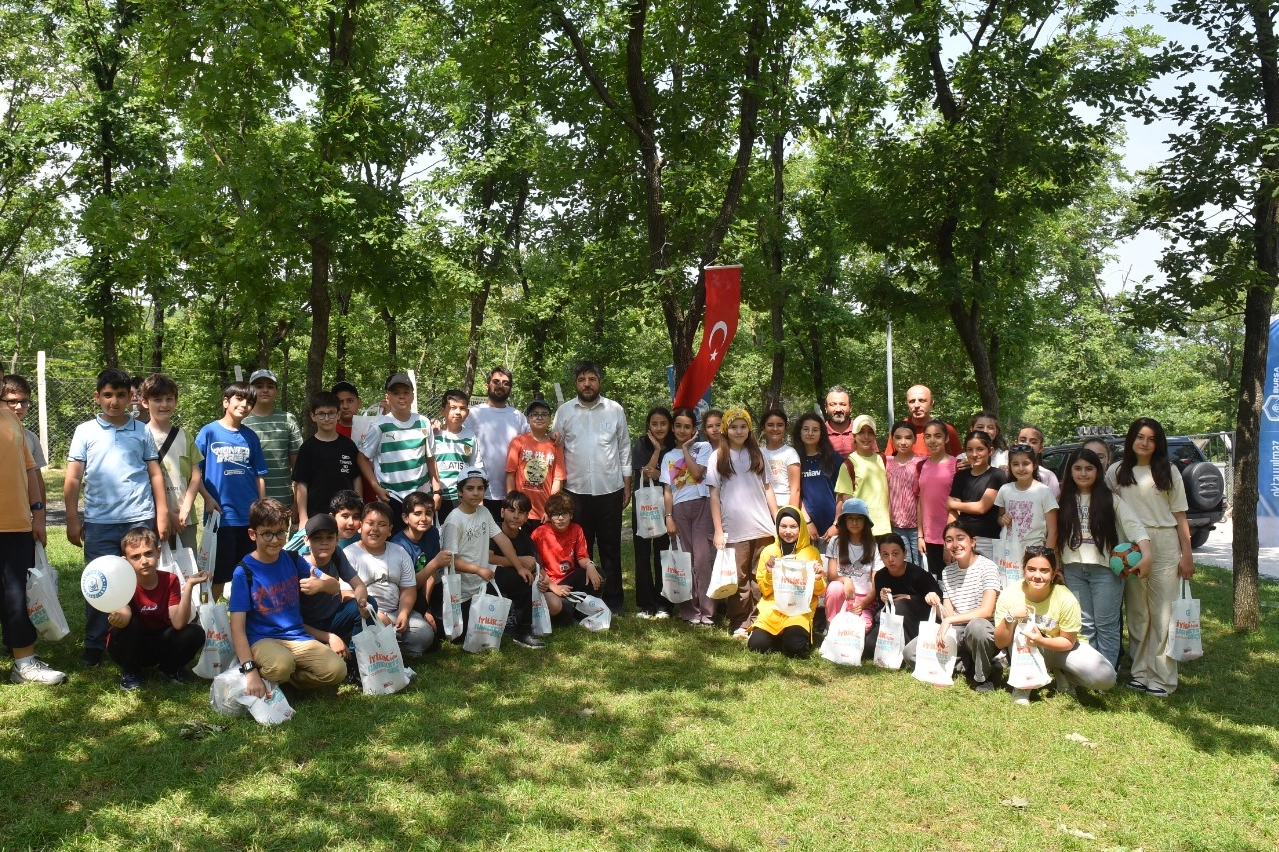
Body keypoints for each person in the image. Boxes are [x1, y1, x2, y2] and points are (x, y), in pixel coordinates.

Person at [66, 368, 169, 666]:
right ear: (97, 397)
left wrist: (162, 512)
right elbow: (73, 478)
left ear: (131, 398)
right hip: (99, 523)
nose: (114, 401)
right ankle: (95, 644)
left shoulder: (141, 431)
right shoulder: (85, 431)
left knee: (142, 581)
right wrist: (72, 518)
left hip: (139, 518)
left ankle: (139, 640)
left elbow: (154, 474)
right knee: (99, 583)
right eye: (108, 395)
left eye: (121, 395)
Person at [1106, 418, 1194, 697]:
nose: (1145, 443)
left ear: (1159, 443)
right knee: (1137, 612)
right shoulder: (1116, 471)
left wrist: (1187, 555)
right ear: (1131, 439)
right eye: (1140, 437)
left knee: (1162, 612)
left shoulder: (1168, 471)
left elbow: (1180, 515)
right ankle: (1141, 672)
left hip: (1164, 543)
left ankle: (1162, 678)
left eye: (1152, 439)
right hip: (1130, 547)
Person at [228, 498, 347, 697]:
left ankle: (288, 681)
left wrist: (321, 585)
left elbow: (335, 586)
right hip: (262, 640)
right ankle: (276, 673)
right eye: (267, 534)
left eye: (281, 532)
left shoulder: (292, 559)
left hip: (298, 637)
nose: (275, 540)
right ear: (252, 534)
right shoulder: (244, 572)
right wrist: (250, 672)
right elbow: (237, 628)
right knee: (281, 665)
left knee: (337, 670)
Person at [1056, 447, 1151, 669]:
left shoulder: (1110, 499)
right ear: (1070, 471)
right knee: (1084, 625)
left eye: (1089, 468)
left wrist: (1147, 553)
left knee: (1106, 625)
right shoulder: (1062, 500)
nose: (1083, 473)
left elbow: (1133, 525)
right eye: (1078, 468)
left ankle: (1107, 673)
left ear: (1098, 471)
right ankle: (1090, 672)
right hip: (1073, 570)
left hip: (1105, 571)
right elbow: (1053, 534)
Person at [551, 361, 631, 615]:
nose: (587, 384)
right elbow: (555, 448)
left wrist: (627, 484)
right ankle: (583, 599)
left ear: (599, 381)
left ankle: (614, 600)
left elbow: (624, 448)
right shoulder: (564, 411)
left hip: (610, 489)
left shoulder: (614, 410)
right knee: (579, 550)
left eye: (592, 379)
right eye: (582, 379)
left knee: (610, 547)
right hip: (575, 492)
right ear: (576, 383)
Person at [993, 545, 1118, 704]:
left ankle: (1064, 674)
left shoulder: (1066, 598)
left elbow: (1068, 642)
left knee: (1106, 677)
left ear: (1053, 574)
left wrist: (1041, 641)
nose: (1037, 576)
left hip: (1059, 648)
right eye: (1031, 569)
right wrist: (1010, 617)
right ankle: (1023, 685)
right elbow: (1000, 642)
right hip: (1024, 648)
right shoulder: (1010, 594)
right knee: (1022, 629)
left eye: (1044, 571)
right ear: (1023, 570)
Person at [2, 399, 62, 685]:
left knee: (16, 596)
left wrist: (38, 514)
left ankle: (24, 664)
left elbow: (29, 469)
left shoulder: (10, 419)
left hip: (16, 525)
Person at [706, 407, 779, 638]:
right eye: (734, 427)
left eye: (743, 426)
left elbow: (768, 489)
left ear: (749, 429)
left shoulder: (758, 455)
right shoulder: (717, 457)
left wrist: (777, 520)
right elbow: (714, 496)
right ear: (725, 430)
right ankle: (740, 621)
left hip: (762, 527)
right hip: (734, 529)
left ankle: (758, 620)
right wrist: (718, 530)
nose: (739, 431)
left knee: (760, 575)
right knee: (738, 578)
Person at [904, 521, 1000, 692]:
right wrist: (936, 603)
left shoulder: (988, 567)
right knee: (910, 652)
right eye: (949, 540)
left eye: (960, 538)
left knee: (977, 627)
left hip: (980, 630)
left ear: (973, 541)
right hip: (957, 631)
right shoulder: (948, 572)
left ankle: (983, 678)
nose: (955, 544)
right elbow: (947, 614)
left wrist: (949, 621)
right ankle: (967, 663)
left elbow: (986, 611)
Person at [106, 527, 206, 689]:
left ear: (158, 552)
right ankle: (131, 671)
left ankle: (169, 669)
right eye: (136, 557)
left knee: (195, 632)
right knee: (130, 624)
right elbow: (125, 614)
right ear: (125, 561)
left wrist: (188, 586)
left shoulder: (170, 580)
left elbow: (178, 623)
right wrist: (120, 619)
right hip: (129, 645)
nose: (144, 561)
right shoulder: (123, 582)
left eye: (148, 553)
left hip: (158, 643)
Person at [196, 381, 268, 602]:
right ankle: (207, 615)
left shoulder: (251, 437)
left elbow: (259, 475)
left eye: (250, 402)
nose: (244, 405)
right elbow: (194, 472)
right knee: (218, 574)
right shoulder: (209, 432)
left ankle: (244, 613)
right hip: (221, 516)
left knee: (248, 572)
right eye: (239, 399)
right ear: (226, 402)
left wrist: (262, 506)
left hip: (248, 516)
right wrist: (207, 498)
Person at [438, 467, 530, 635]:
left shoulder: (484, 512)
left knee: (521, 580)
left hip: (485, 579)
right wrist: (478, 570)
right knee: (465, 635)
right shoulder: (454, 520)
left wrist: (519, 567)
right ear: (460, 492)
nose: (476, 493)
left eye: (480, 488)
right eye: (470, 488)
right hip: (463, 590)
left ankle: (524, 631)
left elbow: (503, 541)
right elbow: (450, 561)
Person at [345, 501, 434, 658]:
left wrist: (404, 613)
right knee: (359, 631)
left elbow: (408, 588)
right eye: (370, 523)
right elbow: (345, 594)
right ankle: (388, 649)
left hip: (394, 613)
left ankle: (382, 649)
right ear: (360, 526)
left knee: (424, 634)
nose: (375, 529)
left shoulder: (399, 552)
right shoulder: (349, 554)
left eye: (382, 525)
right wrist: (375, 615)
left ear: (390, 530)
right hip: (364, 615)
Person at [357, 372, 441, 534]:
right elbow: (362, 458)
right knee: (393, 543)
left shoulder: (424, 423)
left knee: (425, 543)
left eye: (406, 392)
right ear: (387, 397)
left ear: (412, 395)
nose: (401, 397)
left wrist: (437, 492)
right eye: (396, 393)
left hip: (421, 498)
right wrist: (376, 487)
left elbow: (430, 459)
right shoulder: (379, 426)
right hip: (392, 498)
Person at [661, 407, 716, 626]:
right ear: (673, 428)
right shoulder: (668, 457)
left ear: (694, 429)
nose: (682, 430)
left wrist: (685, 449)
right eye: (678, 426)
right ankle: (690, 611)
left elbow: (696, 473)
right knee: (685, 559)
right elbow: (667, 490)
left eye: (687, 427)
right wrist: (668, 516)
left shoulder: (704, 447)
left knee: (702, 560)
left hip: (702, 505)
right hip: (679, 510)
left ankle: (708, 611)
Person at [748, 507, 826, 657]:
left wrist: (817, 579)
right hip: (773, 610)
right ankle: (778, 636)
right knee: (756, 646)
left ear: (801, 528)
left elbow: (819, 591)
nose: (788, 531)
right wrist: (770, 574)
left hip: (798, 611)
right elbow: (765, 590)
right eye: (783, 526)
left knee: (795, 648)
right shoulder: (769, 552)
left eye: (793, 527)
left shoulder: (811, 553)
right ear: (777, 527)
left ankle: (788, 637)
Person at [139, 374, 203, 551]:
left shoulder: (185, 436)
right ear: (145, 402)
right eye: (157, 399)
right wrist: (166, 512)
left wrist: (186, 507)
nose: (164, 404)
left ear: (176, 401)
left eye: (169, 399)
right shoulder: (138, 436)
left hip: (185, 518)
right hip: (151, 516)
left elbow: (195, 475)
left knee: (188, 563)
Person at [298, 512, 371, 668]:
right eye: (317, 538)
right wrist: (328, 636)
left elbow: (359, 585)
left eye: (330, 537)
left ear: (337, 539)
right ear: (306, 540)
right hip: (308, 629)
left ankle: (354, 660)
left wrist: (362, 602)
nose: (324, 542)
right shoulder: (299, 567)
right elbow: (294, 621)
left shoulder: (336, 554)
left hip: (334, 618)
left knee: (369, 604)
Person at [292, 391, 362, 529]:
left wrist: (359, 510)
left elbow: (356, 478)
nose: (326, 418)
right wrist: (303, 518)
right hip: (316, 514)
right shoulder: (307, 448)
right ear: (313, 416)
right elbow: (301, 484)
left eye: (331, 413)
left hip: (346, 515)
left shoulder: (348, 445)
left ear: (338, 414)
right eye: (321, 414)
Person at [467, 367, 530, 522]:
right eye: (496, 381)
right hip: (478, 493)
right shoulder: (472, 414)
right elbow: (452, 432)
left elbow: (535, 441)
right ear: (487, 385)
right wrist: (437, 425)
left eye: (506, 383)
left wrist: (552, 436)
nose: (501, 386)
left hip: (510, 494)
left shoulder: (518, 417)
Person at [486, 490, 545, 648]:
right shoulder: (494, 530)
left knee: (527, 577)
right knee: (520, 577)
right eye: (511, 511)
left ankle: (522, 630)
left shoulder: (526, 539)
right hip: (486, 576)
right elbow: (489, 558)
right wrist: (518, 561)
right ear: (502, 512)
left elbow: (537, 565)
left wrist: (543, 580)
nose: (515, 516)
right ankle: (520, 629)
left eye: (521, 512)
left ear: (527, 517)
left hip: (511, 580)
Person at [632, 406, 675, 619]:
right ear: (648, 425)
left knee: (663, 551)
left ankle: (663, 603)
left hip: (667, 505)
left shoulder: (675, 446)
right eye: (655, 423)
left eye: (663, 423)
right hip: (644, 505)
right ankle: (646, 604)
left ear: (670, 425)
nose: (659, 428)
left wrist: (660, 473)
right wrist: (657, 451)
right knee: (642, 553)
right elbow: (645, 474)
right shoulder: (641, 444)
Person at [243, 369, 303, 519]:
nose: (265, 390)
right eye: (259, 386)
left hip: (282, 499)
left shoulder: (288, 420)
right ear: (250, 390)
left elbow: (298, 466)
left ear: (276, 391)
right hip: (248, 499)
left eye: (270, 386)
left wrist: (297, 502)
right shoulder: (241, 420)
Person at [533, 492, 603, 621]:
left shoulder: (576, 529)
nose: (560, 518)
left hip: (569, 578)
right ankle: (569, 609)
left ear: (571, 515)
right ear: (549, 516)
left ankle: (583, 609)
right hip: (549, 582)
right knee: (564, 613)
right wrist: (553, 587)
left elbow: (582, 557)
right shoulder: (539, 534)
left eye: (564, 514)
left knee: (599, 575)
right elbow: (537, 567)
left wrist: (590, 565)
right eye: (556, 514)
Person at [823, 498, 884, 636]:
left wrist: (862, 605)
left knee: (861, 628)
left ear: (865, 521)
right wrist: (846, 580)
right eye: (850, 518)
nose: (854, 522)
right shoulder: (835, 542)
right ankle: (830, 627)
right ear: (844, 521)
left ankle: (844, 632)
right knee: (834, 587)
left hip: (864, 600)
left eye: (859, 518)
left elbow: (876, 584)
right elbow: (831, 576)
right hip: (841, 596)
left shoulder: (874, 546)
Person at [505, 399, 565, 531]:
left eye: (544, 414)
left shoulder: (556, 446)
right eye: (534, 414)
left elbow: (558, 480)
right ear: (527, 419)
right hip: (520, 511)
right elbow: (510, 474)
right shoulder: (518, 442)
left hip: (543, 513)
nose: (539, 417)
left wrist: (550, 509)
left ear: (549, 419)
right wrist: (512, 505)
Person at [947, 430, 1007, 561]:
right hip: (962, 538)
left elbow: (982, 507)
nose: (974, 454)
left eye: (980, 449)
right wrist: (949, 542)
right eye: (970, 450)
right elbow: (953, 512)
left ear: (990, 451)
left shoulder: (997, 475)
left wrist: (953, 503)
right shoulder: (960, 477)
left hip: (987, 539)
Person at [873, 533, 943, 646]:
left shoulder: (918, 575)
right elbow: (883, 608)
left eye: (895, 554)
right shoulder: (880, 576)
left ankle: (910, 648)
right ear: (880, 556)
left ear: (904, 553)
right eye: (885, 554)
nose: (890, 559)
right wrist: (883, 598)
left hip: (921, 622)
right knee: (869, 643)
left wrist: (912, 599)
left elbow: (939, 601)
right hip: (893, 622)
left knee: (902, 605)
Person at [389, 493, 448, 618]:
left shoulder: (432, 532)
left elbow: (431, 574)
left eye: (428, 513)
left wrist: (425, 606)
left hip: (424, 591)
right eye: (417, 513)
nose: (424, 518)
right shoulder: (398, 545)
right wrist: (435, 563)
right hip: (402, 597)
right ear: (405, 518)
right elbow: (405, 586)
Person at [995, 443, 1059, 556]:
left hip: (1035, 553)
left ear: (1034, 465)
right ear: (1010, 466)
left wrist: (1046, 557)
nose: (1020, 468)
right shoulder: (1004, 490)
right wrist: (1003, 520)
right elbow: (1000, 517)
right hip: (1008, 552)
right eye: (1015, 464)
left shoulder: (1044, 491)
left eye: (1025, 463)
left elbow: (1053, 530)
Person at [433, 389, 483, 523]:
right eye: (453, 407)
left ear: (467, 412)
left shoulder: (470, 436)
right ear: (442, 411)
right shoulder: (434, 434)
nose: (457, 412)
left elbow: (476, 468)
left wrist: (479, 498)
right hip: (438, 496)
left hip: (461, 497)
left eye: (462, 408)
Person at [834, 415, 891, 532]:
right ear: (854, 436)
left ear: (875, 435)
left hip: (884, 527)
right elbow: (847, 502)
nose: (866, 436)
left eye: (870, 432)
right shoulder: (849, 465)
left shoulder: (882, 459)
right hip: (862, 529)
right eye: (861, 432)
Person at [792, 412, 841, 546]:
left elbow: (842, 493)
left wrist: (837, 523)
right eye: (806, 429)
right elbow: (794, 492)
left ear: (821, 433)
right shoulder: (793, 459)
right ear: (799, 432)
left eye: (815, 430)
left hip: (833, 527)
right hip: (805, 525)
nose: (810, 433)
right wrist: (807, 522)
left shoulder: (833, 458)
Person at [917, 420, 958, 579]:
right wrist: (920, 536)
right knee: (934, 582)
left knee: (952, 582)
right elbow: (921, 502)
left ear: (946, 438)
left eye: (937, 436)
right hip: (929, 538)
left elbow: (957, 505)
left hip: (950, 537)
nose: (932, 440)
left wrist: (950, 541)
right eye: (928, 436)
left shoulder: (956, 465)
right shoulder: (922, 466)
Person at [1, 375, 46, 508]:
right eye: (12, 401)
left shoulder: (31, 438)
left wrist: (40, 514)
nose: (19, 407)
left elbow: (37, 479)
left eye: (24, 401)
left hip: (21, 510)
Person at [885, 420, 923, 556]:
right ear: (892, 439)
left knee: (920, 562)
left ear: (915, 439)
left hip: (918, 526)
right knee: (902, 561)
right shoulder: (886, 462)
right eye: (898, 437)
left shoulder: (922, 462)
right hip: (895, 525)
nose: (903, 442)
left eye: (908, 438)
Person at [904, 385, 962, 456]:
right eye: (912, 401)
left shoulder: (947, 430)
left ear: (931, 403)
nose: (916, 405)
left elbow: (958, 460)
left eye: (922, 401)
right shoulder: (899, 431)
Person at [760, 409, 801, 509]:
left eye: (780, 425)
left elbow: (795, 490)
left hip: (784, 507)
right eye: (770, 425)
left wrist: (791, 514)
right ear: (763, 428)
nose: (775, 428)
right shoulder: (758, 452)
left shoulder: (790, 453)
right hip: (762, 507)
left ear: (785, 428)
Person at [1016, 425, 1060, 496]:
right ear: (1016, 443)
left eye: (1033, 442)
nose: (1027, 444)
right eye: (1023, 440)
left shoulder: (1048, 476)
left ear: (1040, 448)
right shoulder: (1005, 473)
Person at [823, 386, 855, 458]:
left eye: (843, 404)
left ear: (850, 408)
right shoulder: (819, 433)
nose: (838, 409)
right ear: (826, 408)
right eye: (833, 404)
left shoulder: (862, 430)